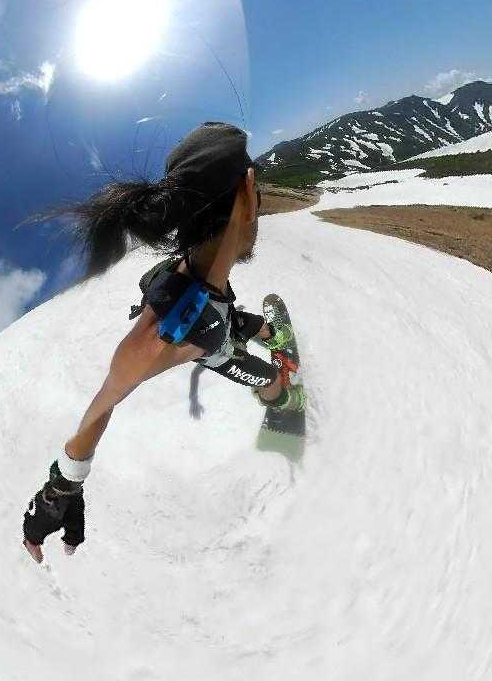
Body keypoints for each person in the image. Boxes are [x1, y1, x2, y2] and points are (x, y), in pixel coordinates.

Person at [23, 121, 305, 563]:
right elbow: (108, 395)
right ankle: (281, 398)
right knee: (261, 372)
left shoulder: (196, 270)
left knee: (232, 316)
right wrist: (60, 488)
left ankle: (269, 336)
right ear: (249, 189)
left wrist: (65, 487)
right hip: (210, 340)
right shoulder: (171, 329)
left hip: (213, 313)